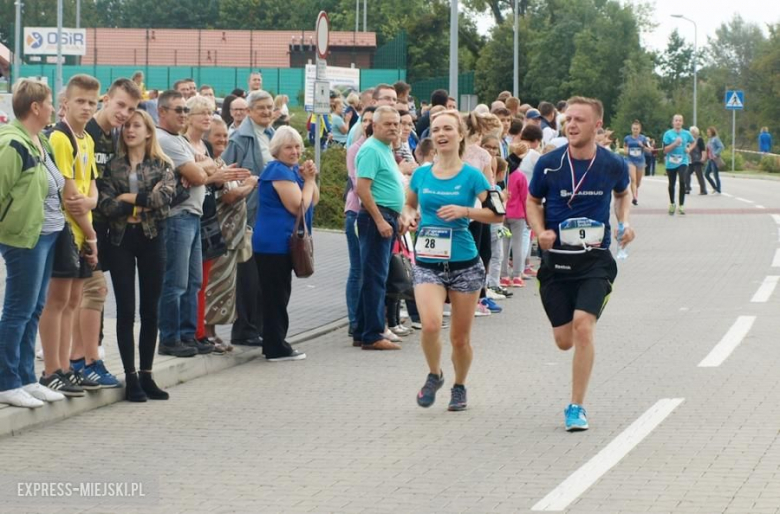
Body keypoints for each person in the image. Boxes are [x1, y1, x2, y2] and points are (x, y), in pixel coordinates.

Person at [526, 96, 634, 431]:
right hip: (556, 263)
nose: (571, 125)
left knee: (584, 327)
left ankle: (576, 407)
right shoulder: (549, 163)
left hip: (595, 260)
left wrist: (624, 222)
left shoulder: (612, 164)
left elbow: (623, 192)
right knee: (564, 340)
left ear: (597, 125)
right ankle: (568, 335)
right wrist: (540, 230)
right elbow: (532, 200)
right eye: (568, 119)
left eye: (579, 120)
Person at [400, 109, 501, 411]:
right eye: (436, 129)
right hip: (428, 262)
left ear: (460, 135)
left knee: (460, 339)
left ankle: (459, 385)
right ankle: (435, 374)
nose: (441, 134)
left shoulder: (472, 176)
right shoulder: (421, 174)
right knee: (430, 326)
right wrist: (408, 217)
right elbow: (408, 203)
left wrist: (465, 211)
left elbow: (498, 213)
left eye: (448, 129)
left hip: (464, 264)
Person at [98, 110, 176, 402]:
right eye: (127, 126)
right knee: (126, 311)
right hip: (120, 241)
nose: (130, 130)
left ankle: (147, 374)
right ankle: (130, 377)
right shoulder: (112, 166)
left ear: (148, 132)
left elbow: (162, 200)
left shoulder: (162, 164)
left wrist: (127, 199)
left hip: (152, 240)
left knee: (150, 310)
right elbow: (105, 204)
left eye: (136, 126)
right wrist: (139, 205)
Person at [39, 74, 108, 397]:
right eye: (80, 101)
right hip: (67, 229)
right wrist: (92, 235)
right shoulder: (60, 138)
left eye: (92, 103)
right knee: (57, 300)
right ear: (65, 103)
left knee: (74, 300)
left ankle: (68, 366)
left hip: (83, 230)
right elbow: (70, 196)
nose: (86, 107)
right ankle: (51, 369)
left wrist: (92, 203)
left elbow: (90, 188)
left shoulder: (87, 139)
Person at [0, 80, 67, 407]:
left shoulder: (41, 141)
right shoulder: (13, 144)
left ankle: (26, 377)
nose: (53, 108)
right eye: (50, 102)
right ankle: (6, 380)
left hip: (48, 234)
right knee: (18, 309)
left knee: (34, 309)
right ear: (36, 107)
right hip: (25, 238)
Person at [83, 77, 142, 374]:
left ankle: (88, 350)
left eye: (131, 109)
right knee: (88, 292)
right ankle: (82, 357)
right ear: (107, 98)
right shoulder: (86, 133)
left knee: (92, 294)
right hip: (83, 226)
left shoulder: (113, 136)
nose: (124, 113)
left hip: (104, 226)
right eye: (120, 104)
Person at [253, 127, 319, 361]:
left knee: (278, 294)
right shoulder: (277, 171)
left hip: (280, 243)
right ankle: (275, 346)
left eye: (297, 146)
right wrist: (309, 181)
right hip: (273, 244)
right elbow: (298, 205)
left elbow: (314, 199)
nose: (294, 151)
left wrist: (307, 178)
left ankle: (274, 341)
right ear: (277, 150)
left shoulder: (289, 171)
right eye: (288, 147)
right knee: (275, 296)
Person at [222, 89, 275, 347]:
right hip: (248, 214)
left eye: (270, 107)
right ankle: (244, 329)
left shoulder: (272, 135)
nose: (266, 112)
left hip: (270, 215)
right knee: (248, 275)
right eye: (261, 107)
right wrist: (246, 186)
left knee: (265, 274)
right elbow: (225, 173)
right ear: (250, 111)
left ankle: (261, 326)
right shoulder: (240, 139)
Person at [353, 106, 405, 351]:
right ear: (375, 125)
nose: (394, 128)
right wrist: (380, 220)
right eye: (388, 124)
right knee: (375, 278)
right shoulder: (372, 150)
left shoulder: (385, 148)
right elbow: (362, 189)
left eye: (396, 123)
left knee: (374, 276)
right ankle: (372, 334)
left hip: (388, 215)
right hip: (377, 218)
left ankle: (363, 330)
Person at [203, 118, 257, 352]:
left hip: (230, 239)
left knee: (224, 288)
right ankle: (207, 333)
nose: (224, 140)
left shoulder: (221, 161)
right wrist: (250, 184)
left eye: (225, 135)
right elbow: (229, 196)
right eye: (218, 136)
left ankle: (211, 333)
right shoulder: (210, 164)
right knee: (214, 288)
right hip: (218, 237)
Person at [344, 107, 375, 337]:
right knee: (358, 269)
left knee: (371, 270)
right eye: (365, 120)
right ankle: (355, 321)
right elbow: (358, 184)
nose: (368, 124)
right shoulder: (357, 149)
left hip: (377, 213)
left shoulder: (384, 149)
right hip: (357, 211)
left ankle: (369, 319)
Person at [662, 114, 695, 215]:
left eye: (680, 121)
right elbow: (665, 150)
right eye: (676, 120)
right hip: (671, 163)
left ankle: (681, 205)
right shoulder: (668, 134)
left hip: (683, 161)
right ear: (673, 122)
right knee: (671, 184)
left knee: (682, 181)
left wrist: (689, 149)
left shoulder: (686, 133)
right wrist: (675, 144)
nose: (678, 122)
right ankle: (672, 204)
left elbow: (693, 142)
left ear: (682, 122)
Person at [622, 120, 651, 205]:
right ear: (631, 129)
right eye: (634, 129)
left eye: (637, 129)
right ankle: (634, 197)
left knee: (638, 182)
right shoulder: (627, 138)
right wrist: (626, 150)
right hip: (630, 160)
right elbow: (625, 146)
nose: (635, 130)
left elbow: (649, 150)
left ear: (640, 129)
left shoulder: (643, 138)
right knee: (633, 179)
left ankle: (635, 191)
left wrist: (642, 145)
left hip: (640, 161)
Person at [686, 126, 707, 195]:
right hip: (690, 160)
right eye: (691, 132)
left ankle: (703, 190)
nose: (691, 133)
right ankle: (687, 188)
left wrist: (703, 158)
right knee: (686, 173)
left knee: (699, 175)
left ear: (696, 133)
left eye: (693, 132)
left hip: (697, 160)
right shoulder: (689, 140)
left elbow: (703, 149)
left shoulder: (699, 139)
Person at [705, 126, 724, 194]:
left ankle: (718, 189)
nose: (708, 133)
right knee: (706, 174)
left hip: (714, 159)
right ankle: (714, 187)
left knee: (716, 175)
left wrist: (715, 153)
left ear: (712, 132)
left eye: (709, 132)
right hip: (710, 160)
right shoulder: (709, 140)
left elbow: (721, 146)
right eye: (707, 132)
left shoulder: (715, 139)